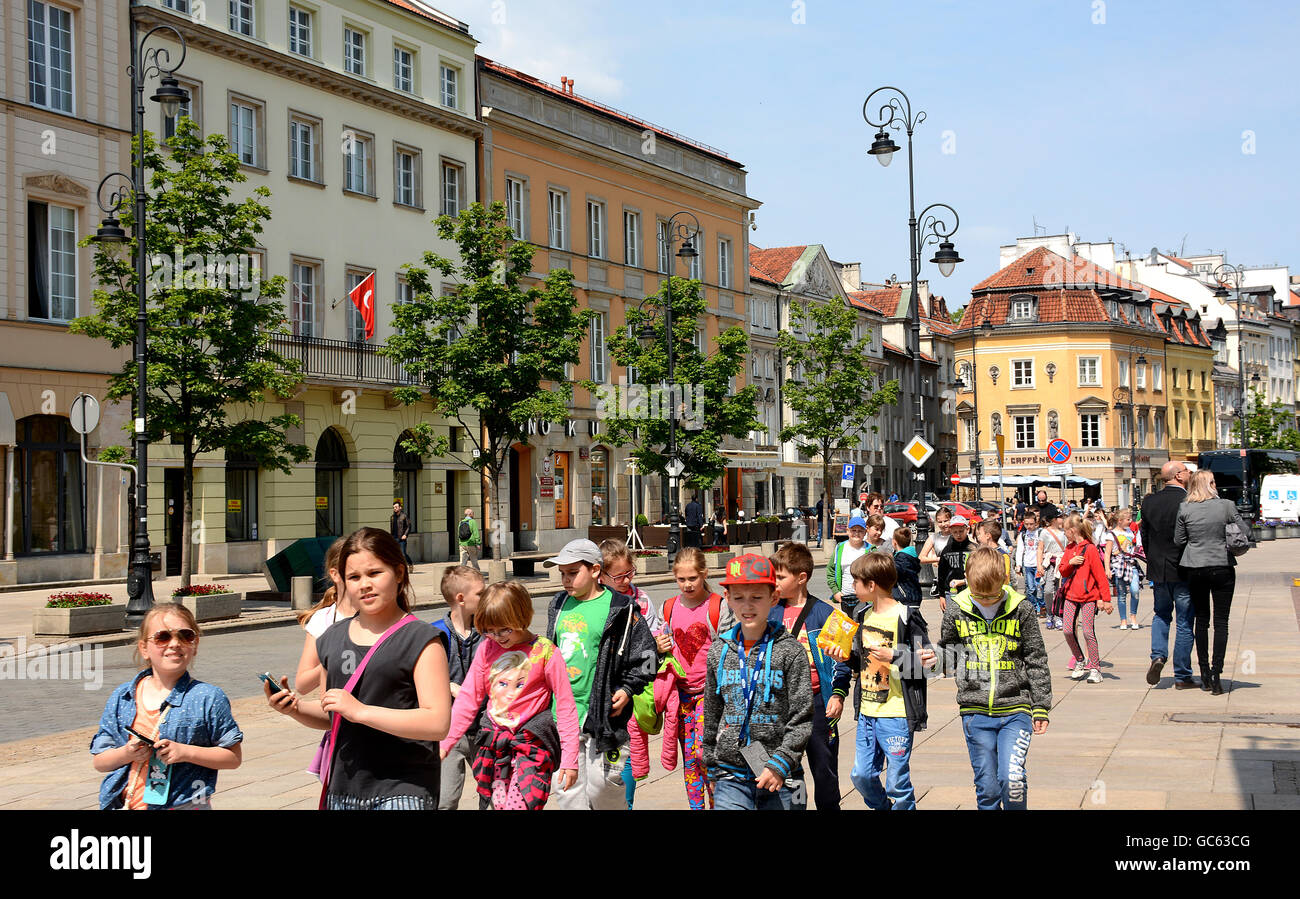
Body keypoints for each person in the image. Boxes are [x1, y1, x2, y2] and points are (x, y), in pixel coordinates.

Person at [269, 527, 451, 810]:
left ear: (399, 574)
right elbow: (334, 714)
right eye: (354, 577)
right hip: (343, 788)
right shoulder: (331, 637)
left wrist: (361, 711)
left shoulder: (421, 638)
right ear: (341, 581)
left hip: (403, 788)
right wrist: (294, 709)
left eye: (375, 573)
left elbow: (437, 723)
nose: (364, 584)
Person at [441, 581, 579, 809]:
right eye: (488, 630)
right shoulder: (487, 648)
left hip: (531, 748)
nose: (497, 636)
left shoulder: (545, 652)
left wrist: (570, 758)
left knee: (519, 805)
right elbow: (468, 699)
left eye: (504, 629)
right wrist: (446, 743)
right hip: (494, 746)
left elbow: (565, 707)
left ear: (522, 616)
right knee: (496, 805)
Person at [92, 603, 243, 809]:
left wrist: (184, 752)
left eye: (185, 636)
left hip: (185, 803)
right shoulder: (123, 696)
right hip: (124, 804)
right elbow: (100, 761)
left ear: (195, 645)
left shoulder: (208, 697)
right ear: (144, 648)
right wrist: (127, 753)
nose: (174, 644)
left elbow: (233, 758)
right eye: (163, 637)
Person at [544, 538, 655, 809]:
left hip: (604, 718)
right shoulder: (557, 605)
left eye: (573, 573)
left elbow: (649, 657)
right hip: (563, 716)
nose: (566, 580)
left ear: (594, 571)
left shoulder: (621, 608)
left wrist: (628, 689)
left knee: (602, 787)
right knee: (567, 789)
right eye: (562, 574)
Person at [939, 547, 1051, 810]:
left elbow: (1036, 657)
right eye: (981, 595)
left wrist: (1041, 707)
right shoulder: (956, 609)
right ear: (967, 580)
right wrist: (933, 659)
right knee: (987, 787)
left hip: (1016, 708)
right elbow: (949, 651)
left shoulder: (1021, 608)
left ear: (1004, 581)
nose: (988, 601)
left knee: (1011, 779)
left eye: (993, 595)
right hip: (975, 711)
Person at [703, 553, 814, 810]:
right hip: (731, 777)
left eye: (756, 598)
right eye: (739, 598)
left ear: (773, 598)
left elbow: (802, 717)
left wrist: (781, 763)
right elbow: (711, 711)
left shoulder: (790, 651)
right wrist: (710, 761)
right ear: (727, 599)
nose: (747, 606)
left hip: (782, 777)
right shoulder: (719, 651)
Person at [829, 552, 933, 810]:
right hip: (867, 711)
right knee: (861, 776)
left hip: (896, 713)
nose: (852, 586)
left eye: (856, 581)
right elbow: (858, 660)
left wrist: (895, 656)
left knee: (897, 782)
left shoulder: (907, 617)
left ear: (871, 585)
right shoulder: (861, 614)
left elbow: (927, 663)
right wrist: (844, 657)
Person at [770, 542, 850, 811]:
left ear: (801, 578)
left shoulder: (826, 613)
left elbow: (842, 663)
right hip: (781, 706)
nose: (775, 582)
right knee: (790, 772)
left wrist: (838, 695)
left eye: (781, 577)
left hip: (818, 704)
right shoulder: (770, 613)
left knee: (824, 770)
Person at [661, 546, 733, 809]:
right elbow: (662, 646)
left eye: (693, 578)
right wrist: (659, 646)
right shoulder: (668, 607)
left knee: (707, 755)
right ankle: (696, 806)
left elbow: (728, 648)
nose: (687, 584)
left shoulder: (717, 606)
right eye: (681, 579)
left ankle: (718, 803)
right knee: (689, 760)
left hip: (710, 694)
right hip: (680, 697)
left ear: (704, 574)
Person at [598, 539, 664, 809]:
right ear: (600, 574)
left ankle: (626, 803)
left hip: (631, 693)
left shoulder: (642, 600)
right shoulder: (595, 602)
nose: (626, 580)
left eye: (630, 573)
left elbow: (655, 644)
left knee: (625, 753)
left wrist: (656, 648)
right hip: (598, 692)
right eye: (619, 576)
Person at [1175, 470, 1247, 695]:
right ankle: (1217, 673)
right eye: (1213, 482)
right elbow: (1243, 530)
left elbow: (1179, 540)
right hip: (1222, 565)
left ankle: (1204, 671)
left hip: (1195, 567)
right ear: (1209, 484)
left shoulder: (1185, 507)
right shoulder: (1226, 505)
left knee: (1201, 620)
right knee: (1221, 622)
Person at [433, 565, 486, 809]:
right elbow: (421, 678)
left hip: (485, 728)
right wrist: (448, 687)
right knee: (444, 800)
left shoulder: (489, 631)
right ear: (461, 599)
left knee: (495, 796)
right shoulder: (434, 634)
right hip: (449, 730)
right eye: (480, 594)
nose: (485, 598)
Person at [1141, 461, 1197, 689]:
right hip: (1183, 569)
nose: (1190, 474)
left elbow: (1144, 535)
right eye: (1187, 470)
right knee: (1184, 621)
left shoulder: (1149, 501)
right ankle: (1182, 675)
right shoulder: (1187, 501)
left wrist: (1152, 558)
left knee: (1161, 614)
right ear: (1179, 476)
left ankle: (1158, 655)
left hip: (1158, 568)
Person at [1056, 513, 1114, 685]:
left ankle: (1095, 668)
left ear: (1073, 531)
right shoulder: (1069, 549)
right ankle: (1079, 659)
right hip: (1071, 596)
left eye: (1066, 530)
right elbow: (1063, 570)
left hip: (1088, 597)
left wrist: (1106, 599)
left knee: (1088, 632)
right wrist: (1070, 562)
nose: (1064, 534)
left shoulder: (1090, 549)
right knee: (1067, 630)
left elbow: (1100, 575)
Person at [828, 516, 871, 615]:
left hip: (864, 599)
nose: (856, 533)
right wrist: (836, 592)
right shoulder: (840, 548)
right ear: (847, 531)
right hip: (845, 597)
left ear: (865, 532)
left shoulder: (870, 550)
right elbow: (830, 571)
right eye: (853, 530)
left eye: (860, 531)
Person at [1108, 509, 1143, 630]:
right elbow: (1108, 553)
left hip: (1131, 564)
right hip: (1119, 565)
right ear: (1119, 520)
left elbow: (1137, 546)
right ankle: (1123, 619)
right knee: (1121, 594)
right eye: (1128, 519)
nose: (1131, 521)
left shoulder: (1131, 532)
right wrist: (1107, 569)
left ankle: (1133, 616)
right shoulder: (1111, 534)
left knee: (1135, 591)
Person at [935, 515, 975, 613]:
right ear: (951, 532)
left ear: (967, 529)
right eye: (955, 532)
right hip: (951, 592)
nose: (958, 535)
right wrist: (941, 596)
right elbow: (941, 574)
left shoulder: (974, 549)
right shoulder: (947, 550)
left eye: (961, 531)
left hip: (971, 591)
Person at [1037, 513, 1069, 630]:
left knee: (1060, 591)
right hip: (1049, 563)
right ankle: (1050, 613)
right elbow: (1040, 549)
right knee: (1048, 591)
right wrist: (1039, 565)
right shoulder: (1045, 532)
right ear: (1055, 519)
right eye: (1060, 517)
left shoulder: (1065, 531)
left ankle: (1058, 616)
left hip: (1062, 563)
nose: (1062, 519)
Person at [919, 506, 954, 599]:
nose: (943, 524)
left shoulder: (958, 535)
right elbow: (921, 558)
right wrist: (936, 559)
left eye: (946, 520)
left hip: (959, 578)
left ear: (951, 519)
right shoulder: (933, 538)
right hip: (943, 579)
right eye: (940, 522)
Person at [1014, 510, 1043, 618]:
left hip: (1038, 564)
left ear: (1036, 523)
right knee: (1030, 588)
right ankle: (1034, 607)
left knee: (1039, 587)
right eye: (1026, 524)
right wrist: (1018, 565)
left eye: (1031, 524)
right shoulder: (1023, 534)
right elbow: (1020, 550)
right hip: (1028, 564)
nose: (1029, 526)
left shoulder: (1040, 533)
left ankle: (1042, 605)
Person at [891, 526, 922, 618]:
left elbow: (894, 572)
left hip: (906, 597)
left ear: (894, 542)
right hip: (912, 596)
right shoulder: (909, 556)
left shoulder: (902, 559)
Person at [390, 500, 413, 568]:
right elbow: (392, 528)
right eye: (394, 507)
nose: (395, 508)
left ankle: (410, 564)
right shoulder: (392, 517)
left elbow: (409, 526)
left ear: (400, 508)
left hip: (402, 539)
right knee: (394, 554)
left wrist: (405, 534)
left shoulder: (404, 516)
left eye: (396, 507)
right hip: (394, 538)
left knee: (403, 554)